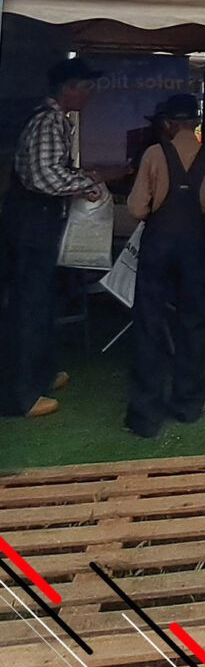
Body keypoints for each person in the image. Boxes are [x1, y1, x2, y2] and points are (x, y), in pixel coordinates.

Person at [0, 58, 103, 419]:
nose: (90, 96)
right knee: (28, 306)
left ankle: (40, 374)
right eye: (86, 88)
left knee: (41, 301)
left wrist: (78, 177)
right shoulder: (48, 122)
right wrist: (86, 182)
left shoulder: (55, 120)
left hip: (36, 222)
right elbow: (43, 177)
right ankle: (20, 396)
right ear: (67, 90)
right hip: (31, 224)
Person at [125, 94, 205, 438]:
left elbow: (137, 208)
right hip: (194, 246)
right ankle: (188, 402)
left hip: (158, 245)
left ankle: (146, 412)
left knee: (149, 323)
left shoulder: (154, 154)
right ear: (195, 123)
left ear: (168, 124)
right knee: (192, 322)